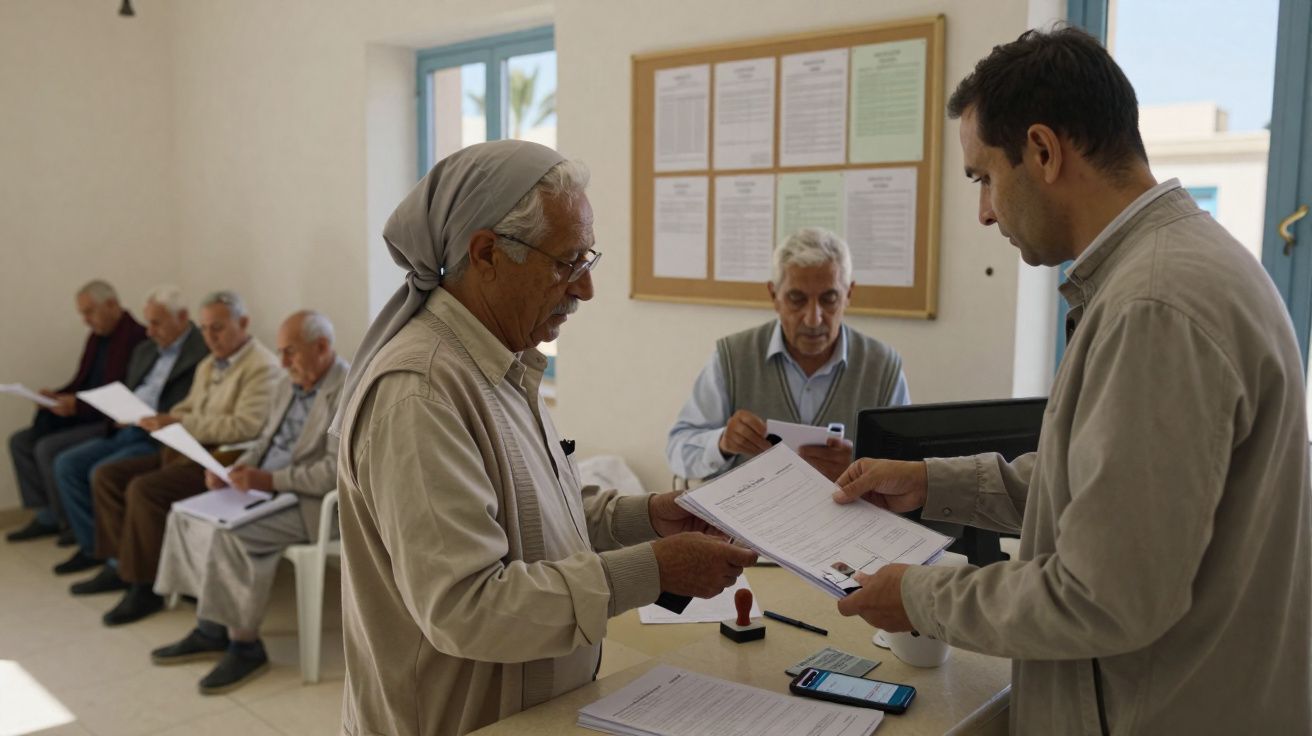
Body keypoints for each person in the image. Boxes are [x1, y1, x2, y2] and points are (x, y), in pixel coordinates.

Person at [832, 27, 1311, 734]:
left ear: (1043, 151)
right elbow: (1105, 497)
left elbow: (1102, 594)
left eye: (983, 177)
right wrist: (934, 482)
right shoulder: (1186, 266)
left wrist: (920, 597)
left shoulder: (1155, 305)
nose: (984, 211)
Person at [334, 140, 756, 736]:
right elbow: (467, 609)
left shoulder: (497, 362)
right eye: (567, 263)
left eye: (587, 260)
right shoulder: (421, 393)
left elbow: (531, 517)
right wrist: (654, 570)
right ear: (487, 254)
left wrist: (650, 517)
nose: (585, 289)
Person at [151, 310, 348, 694]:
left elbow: (333, 472)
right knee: (186, 515)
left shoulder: (349, 391)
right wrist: (233, 469)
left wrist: (268, 480)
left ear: (322, 347)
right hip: (264, 490)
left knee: (231, 535)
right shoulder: (289, 384)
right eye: (280, 352)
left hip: (309, 503)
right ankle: (210, 627)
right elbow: (263, 442)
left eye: (290, 352)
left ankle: (245, 646)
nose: (283, 363)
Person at [71, 290, 281, 627]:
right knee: (107, 476)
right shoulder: (209, 363)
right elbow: (187, 406)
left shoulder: (262, 366)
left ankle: (144, 586)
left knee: (144, 489)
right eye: (205, 329)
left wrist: (180, 421)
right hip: (185, 450)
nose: (210, 337)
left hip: (221, 461)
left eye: (218, 328)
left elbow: (246, 426)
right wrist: (166, 418)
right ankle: (119, 565)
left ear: (243, 323)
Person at [666, 228, 909, 483]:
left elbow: (908, 470)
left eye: (829, 299)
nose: (813, 319)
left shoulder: (882, 368)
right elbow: (678, 450)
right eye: (797, 299)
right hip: (749, 508)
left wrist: (857, 470)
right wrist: (721, 443)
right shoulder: (733, 358)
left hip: (847, 509)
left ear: (848, 294)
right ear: (774, 296)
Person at [52, 285, 208, 575]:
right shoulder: (145, 350)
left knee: (103, 472)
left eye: (157, 323)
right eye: (148, 322)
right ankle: (93, 548)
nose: (149, 331)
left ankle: (119, 565)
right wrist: (119, 409)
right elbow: (129, 388)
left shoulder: (202, 353)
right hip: (126, 427)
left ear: (182, 317)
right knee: (66, 464)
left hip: (158, 437)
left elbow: (190, 406)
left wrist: (153, 417)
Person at [6, 280, 146, 542]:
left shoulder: (136, 338)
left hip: (106, 421)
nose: (86, 320)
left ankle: (70, 523)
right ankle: (47, 514)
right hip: (83, 414)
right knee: (20, 442)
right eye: (83, 313)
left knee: (47, 448)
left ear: (112, 305)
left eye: (90, 312)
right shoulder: (96, 338)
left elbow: (118, 395)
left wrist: (75, 405)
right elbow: (81, 383)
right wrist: (56, 396)